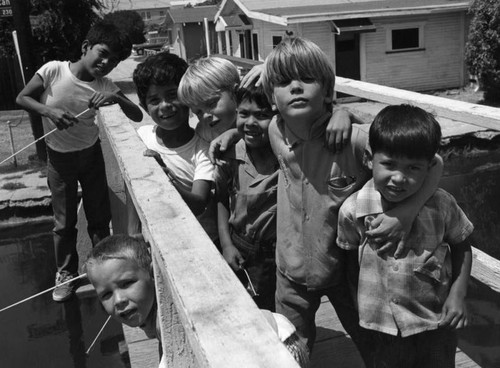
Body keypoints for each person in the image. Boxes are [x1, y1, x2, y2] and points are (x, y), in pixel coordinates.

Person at [260, 36, 443, 364]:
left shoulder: (354, 139)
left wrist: (406, 212)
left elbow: (434, 163)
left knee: (371, 343)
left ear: (328, 90)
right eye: (285, 82)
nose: (296, 87)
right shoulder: (275, 129)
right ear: (272, 98)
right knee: (289, 346)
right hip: (289, 269)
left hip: (345, 267)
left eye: (307, 79)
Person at [16, 21, 143, 302]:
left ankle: (102, 271)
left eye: (114, 60)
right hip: (59, 160)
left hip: (91, 155)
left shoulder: (105, 85)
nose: (107, 62)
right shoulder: (53, 70)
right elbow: (22, 97)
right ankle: (66, 274)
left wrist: (115, 97)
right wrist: (49, 111)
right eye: (103, 53)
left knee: (99, 219)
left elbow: (137, 115)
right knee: (64, 221)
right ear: (86, 47)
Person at [337, 104, 473, 368]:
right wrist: (360, 306)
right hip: (379, 327)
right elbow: (349, 261)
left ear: (429, 167)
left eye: (413, 168)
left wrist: (458, 295)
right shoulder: (353, 210)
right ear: (369, 159)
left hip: (434, 323)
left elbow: (462, 247)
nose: (399, 178)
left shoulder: (442, 205)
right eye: (388, 164)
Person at [132, 52, 218, 243]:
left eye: (172, 95)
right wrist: (133, 231)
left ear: (188, 97)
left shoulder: (203, 148)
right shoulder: (142, 137)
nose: (165, 105)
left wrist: (166, 177)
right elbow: (132, 189)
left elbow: (199, 203)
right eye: (154, 100)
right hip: (160, 238)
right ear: (145, 107)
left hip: (200, 241)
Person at [214, 81, 278, 311]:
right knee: (244, 305)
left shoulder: (288, 155)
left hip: (279, 250)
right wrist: (226, 244)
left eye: (262, 115)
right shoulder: (229, 155)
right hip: (240, 244)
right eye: (244, 114)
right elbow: (220, 199)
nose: (251, 123)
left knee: (274, 307)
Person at [84, 234, 166, 367]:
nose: (118, 300)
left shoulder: (165, 325)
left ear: (153, 274)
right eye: (106, 294)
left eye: (127, 283)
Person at [178, 56, 240, 144]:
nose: (205, 116)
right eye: (199, 112)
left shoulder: (260, 119)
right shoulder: (205, 133)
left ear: (236, 93)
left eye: (211, 104)